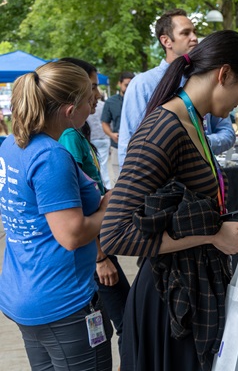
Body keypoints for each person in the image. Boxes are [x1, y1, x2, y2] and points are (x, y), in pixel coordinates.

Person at [100, 30, 238, 371]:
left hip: (187, 294)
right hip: (167, 305)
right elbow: (115, 234)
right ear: (224, 74)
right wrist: (213, 235)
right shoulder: (164, 128)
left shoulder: (193, 121)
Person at [0, 61, 113, 370]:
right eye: (89, 99)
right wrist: (108, 208)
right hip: (63, 302)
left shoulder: (12, 144)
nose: (92, 107)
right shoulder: (51, 156)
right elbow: (72, 234)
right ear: (68, 109)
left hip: (25, 292)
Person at [58, 57, 130, 357]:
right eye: (92, 88)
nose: (97, 96)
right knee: (126, 320)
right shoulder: (68, 137)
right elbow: (75, 207)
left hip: (96, 240)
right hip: (92, 248)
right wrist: (101, 257)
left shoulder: (76, 133)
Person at [118, 8, 235, 168]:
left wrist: (197, 141)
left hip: (205, 182)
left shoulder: (209, 81)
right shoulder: (142, 85)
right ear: (166, 41)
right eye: (185, 33)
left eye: (194, 32)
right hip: (162, 186)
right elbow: (129, 143)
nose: (194, 38)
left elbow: (227, 133)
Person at [102, 71, 134, 186]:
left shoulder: (138, 99)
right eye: (126, 85)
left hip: (135, 146)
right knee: (118, 181)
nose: (128, 88)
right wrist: (111, 134)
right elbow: (104, 122)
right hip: (117, 146)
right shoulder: (111, 102)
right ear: (120, 84)